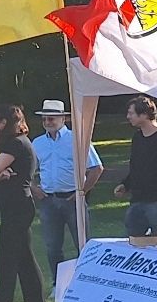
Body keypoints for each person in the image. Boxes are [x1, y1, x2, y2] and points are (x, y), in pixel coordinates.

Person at [28, 99, 103, 281]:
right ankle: (58, 283)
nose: (47, 123)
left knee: (83, 244)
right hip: (49, 200)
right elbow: (25, 169)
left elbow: (96, 168)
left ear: (63, 119)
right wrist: (34, 189)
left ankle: (86, 280)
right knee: (52, 246)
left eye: (51, 119)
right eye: (45, 119)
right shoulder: (37, 143)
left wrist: (81, 192)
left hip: (73, 199)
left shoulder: (77, 139)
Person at [0, 104, 44, 302]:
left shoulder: (16, 144)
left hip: (18, 207)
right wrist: (3, 174)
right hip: (17, 205)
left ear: (3, 123)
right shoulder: (16, 143)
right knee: (24, 256)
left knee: (6, 258)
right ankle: (35, 301)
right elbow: (1, 172)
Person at [112, 95, 157, 237]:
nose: (128, 117)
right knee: (133, 243)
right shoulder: (137, 138)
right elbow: (136, 167)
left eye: (131, 113)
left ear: (144, 114)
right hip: (137, 201)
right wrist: (125, 185)